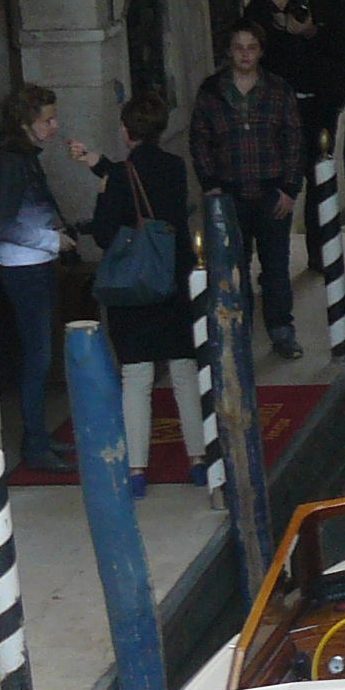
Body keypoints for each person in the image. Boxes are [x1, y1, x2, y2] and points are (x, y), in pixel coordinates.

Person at [86, 92, 201, 503]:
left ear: (125, 131)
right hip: (172, 283)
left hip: (134, 291)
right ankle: (198, 459)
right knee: (185, 372)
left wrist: (104, 187)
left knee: (136, 378)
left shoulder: (118, 177)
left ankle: (136, 469)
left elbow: (104, 233)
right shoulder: (175, 168)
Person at [240, 0, 345, 279]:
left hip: (320, 106)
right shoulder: (261, 7)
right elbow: (248, 54)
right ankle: (274, 263)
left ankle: (321, 254)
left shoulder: (330, 1)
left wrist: (311, 33)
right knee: (276, 185)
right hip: (276, 112)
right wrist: (275, 31)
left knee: (319, 179)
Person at [187, 22, 306, 361]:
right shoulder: (212, 92)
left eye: (251, 47)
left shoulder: (278, 90)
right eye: (238, 47)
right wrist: (210, 185)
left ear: (261, 51)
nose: (245, 54)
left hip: (272, 194)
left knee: (276, 267)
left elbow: (294, 140)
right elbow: (200, 140)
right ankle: (239, 332)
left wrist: (289, 187)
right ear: (229, 51)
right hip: (229, 194)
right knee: (233, 267)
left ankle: (282, 331)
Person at [0, 85, 89, 471]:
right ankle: (35, 443)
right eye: (48, 120)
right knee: (36, 358)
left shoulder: (23, 159)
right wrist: (51, 240)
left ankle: (39, 437)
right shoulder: (12, 163)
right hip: (24, 268)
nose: (54, 126)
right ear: (25, 122)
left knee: (40, 356)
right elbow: (2, 224)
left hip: (35, 264)